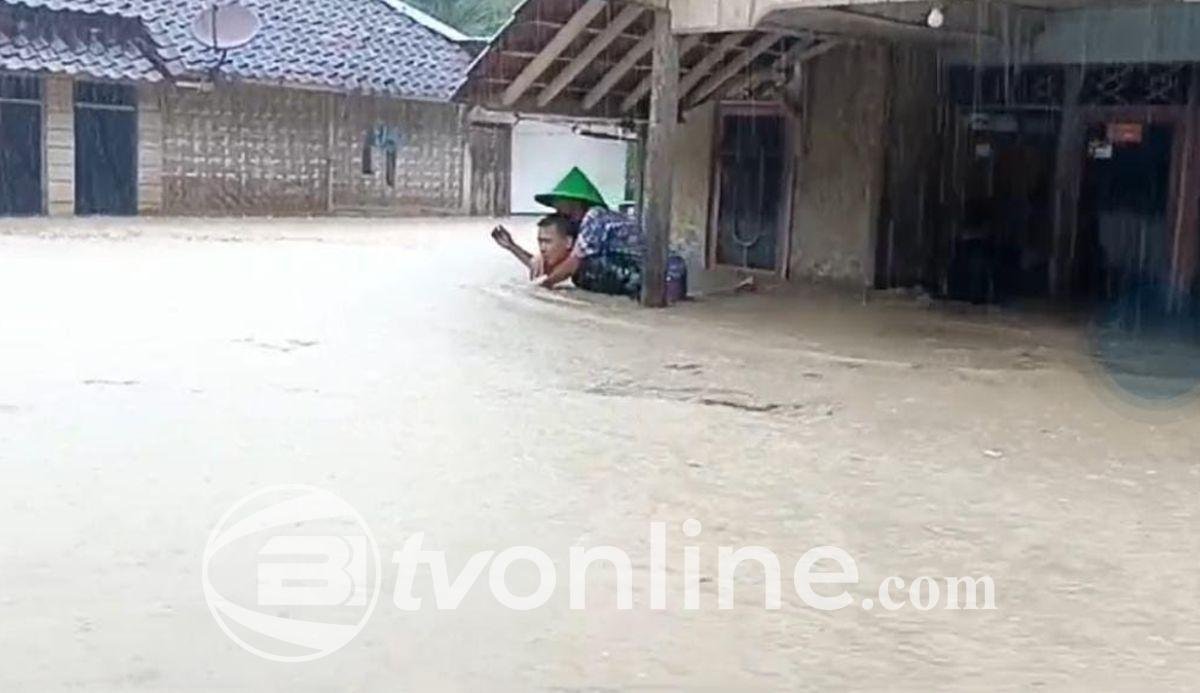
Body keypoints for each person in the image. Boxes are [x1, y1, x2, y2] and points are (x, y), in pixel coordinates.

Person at [530, 167, 687, 299]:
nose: (558, 211)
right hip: (648, 272)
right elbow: (558, 262)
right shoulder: (583, 229)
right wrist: (535, 255)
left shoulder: (595, 217)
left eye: (560, 205)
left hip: (668, 275)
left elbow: (571, 264)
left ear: (574, 203)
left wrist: (542, 287)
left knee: (588, 268)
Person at [491, 214, 577, 281]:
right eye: (540, 241)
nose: (542, 248)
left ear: (568, 242)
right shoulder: (549, 261)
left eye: (547, 242)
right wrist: (511, 246)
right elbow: (535, 265)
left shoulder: (582, 267)